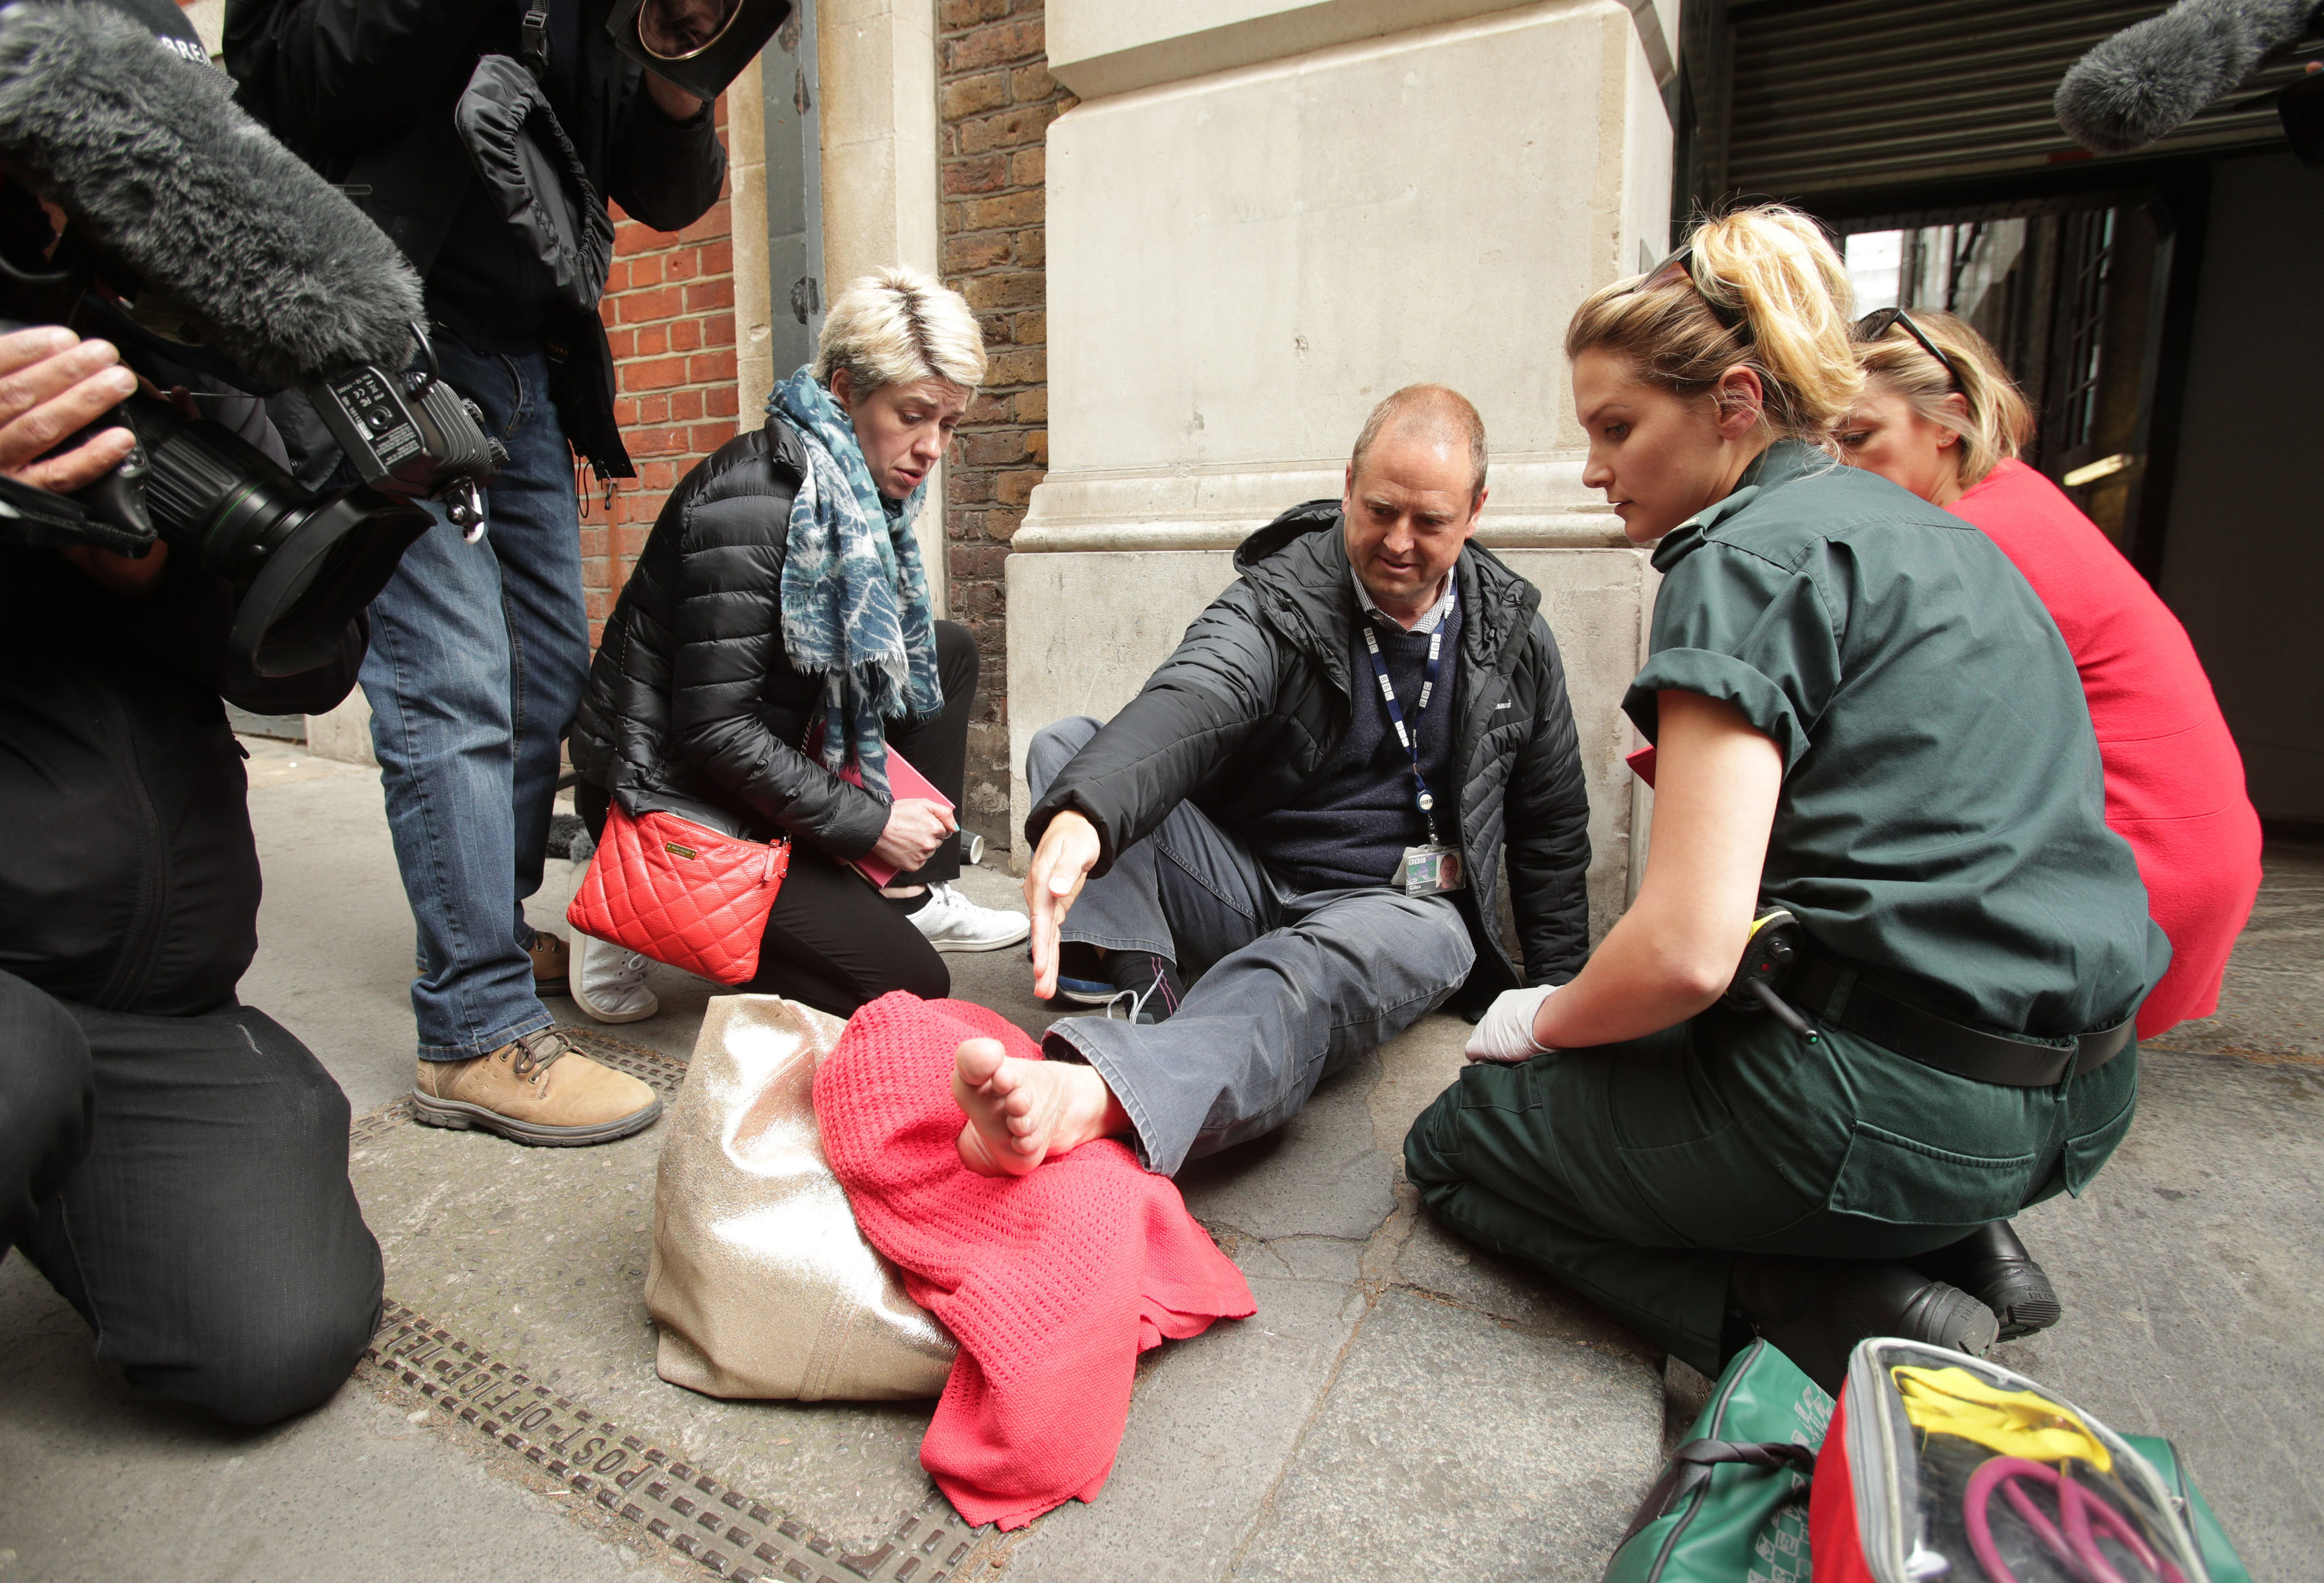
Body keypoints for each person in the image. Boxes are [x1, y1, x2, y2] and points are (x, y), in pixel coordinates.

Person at [1400, 210, 2166, 1394]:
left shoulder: (1740, 558)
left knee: (1454, 1147)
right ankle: (1960, 1237)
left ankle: (1820, 1296)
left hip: (1903, 1109)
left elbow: (1689, 950)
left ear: (1736, 401)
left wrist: (1538, 1023)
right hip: (2089, 1090)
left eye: (1617, 428)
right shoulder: (1942, 534)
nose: (1595, 470)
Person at [225, 0, 728, 1142]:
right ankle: (474, 1027)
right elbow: (283, 81)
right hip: (381, 334)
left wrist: (677, 69)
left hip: (524, 361)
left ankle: (483, 934)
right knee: (449, 676)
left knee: (546, 671)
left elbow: (661, 190)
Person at [951, 383, 1592, 1182]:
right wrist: (1087, 814)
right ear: (1349, 482)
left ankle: (1103, 1092)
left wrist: (1563, 1008)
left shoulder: (1513, 636)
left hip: (1394, 914)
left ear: (1474, 511)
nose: (1398, 542)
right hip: (1245, 887)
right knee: (1072, 751)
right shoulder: (1279, 597)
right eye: (1380, 509)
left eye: (1429, 522)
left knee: (1311, 971)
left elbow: (1551, 824)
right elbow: (1194, 698)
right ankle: (1151, 993)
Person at [0, 323, 385, 1425]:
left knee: (272, 1335)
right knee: (2, 1067)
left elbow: (315, 646)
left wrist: (150, 568)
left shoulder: (153, 319)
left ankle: (59, 1156)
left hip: (156, 1004)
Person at [570, 268, 1028, 1021]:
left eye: (947, 424)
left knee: (940, 652)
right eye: (913, 416)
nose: (931, 447)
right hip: (667, 789)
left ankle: (910, 892)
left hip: (770, 748)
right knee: (908, 988)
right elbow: (713, 730)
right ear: (845, 390)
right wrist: (872, 823)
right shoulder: (751, 504)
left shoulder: (851, 491)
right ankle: (633, 900)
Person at [1836, 307, 2261, 1042]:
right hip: (2188, 855)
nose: (1839, 466)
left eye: (1857, 437)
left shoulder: (1979, 537)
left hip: (2141, 872)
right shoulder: (2011, 496)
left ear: (1948, 422)